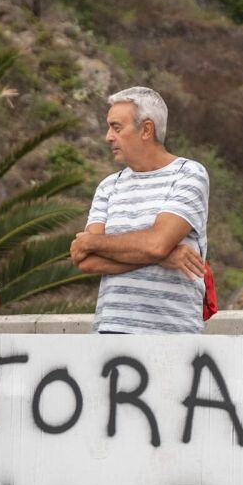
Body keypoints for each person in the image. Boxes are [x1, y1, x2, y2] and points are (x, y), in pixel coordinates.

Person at [69, 86, 210, 334]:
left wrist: (95, 241)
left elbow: (156, 243)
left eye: (116, 127)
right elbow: (86, 261)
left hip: (172, 336)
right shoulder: (108, 186)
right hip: (109, 334)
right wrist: (164, 258)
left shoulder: (189, 174)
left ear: (146, 129)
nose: (108, 137)